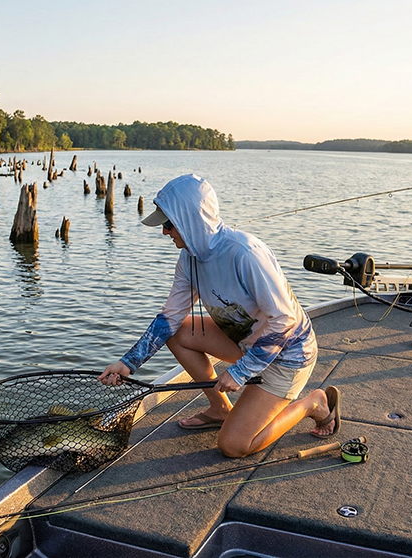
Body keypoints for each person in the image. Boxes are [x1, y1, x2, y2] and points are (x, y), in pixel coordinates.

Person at [98, 174, 337, 458]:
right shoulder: (189, 258)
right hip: (246, 341)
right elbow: (170, 318)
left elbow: (284, 321)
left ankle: (315, 403)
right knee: (178, 332)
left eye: (168, 224)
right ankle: (221, 408)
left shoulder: (246, 254)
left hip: (289, 355)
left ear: (190, 220)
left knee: (234, 446)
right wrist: (128, 362)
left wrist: (240, 372)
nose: (164, 232)